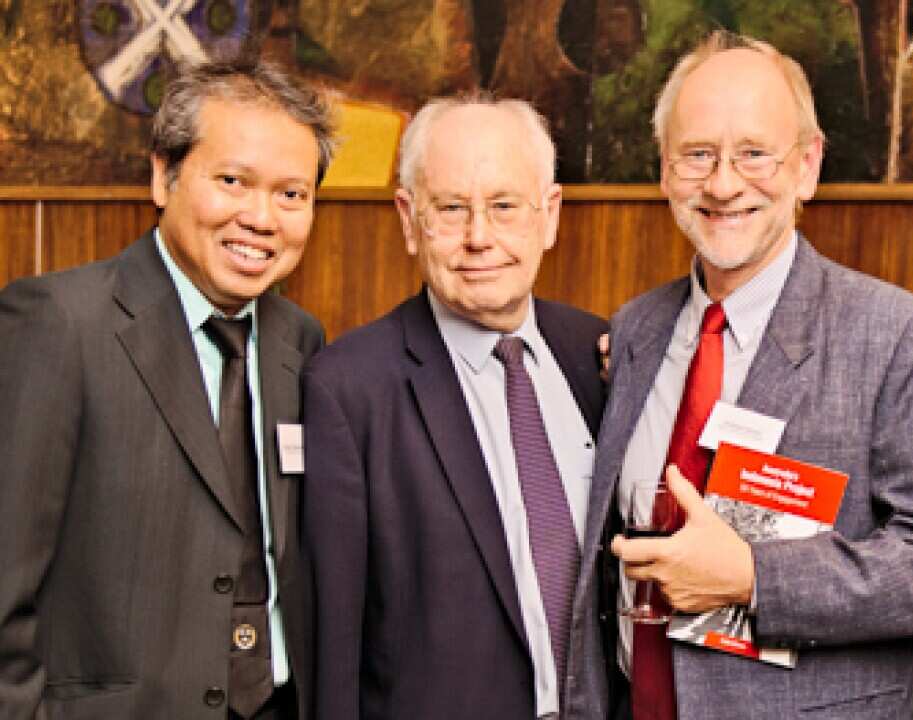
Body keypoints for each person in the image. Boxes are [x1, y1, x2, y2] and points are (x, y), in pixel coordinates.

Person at [561, 31, 913, 720]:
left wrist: (754, 577)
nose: (723, 184)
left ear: (807, 166)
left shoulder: (894, 335)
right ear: (665, 171)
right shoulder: (638, 328)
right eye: (697, 155)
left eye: (754, 154)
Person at [0, 62, 334, 718]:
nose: (261, 218)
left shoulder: (301, 340)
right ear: (164, 176)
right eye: (232, 181)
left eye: (292, 194)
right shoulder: (59, 324)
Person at [302, 94, 608, 719]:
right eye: (451, 209)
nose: (479, 238)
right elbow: (333, 643)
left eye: (504, 206)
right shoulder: (348, 389)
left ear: (549, 215)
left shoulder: (602, 355)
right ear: (408, 220)